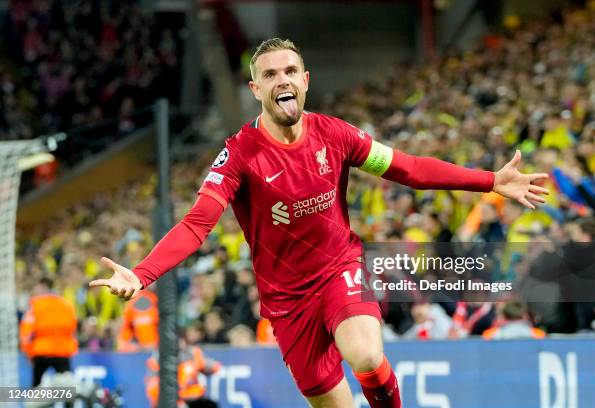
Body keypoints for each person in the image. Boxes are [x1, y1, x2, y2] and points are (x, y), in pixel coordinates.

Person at [90, 38, 549, 407]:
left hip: (340, 269)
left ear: (305, 81)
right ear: (255, 89)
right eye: (269, 74)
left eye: (290, 71)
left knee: (367, 355)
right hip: (287, 303)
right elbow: (197, 224)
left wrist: (489, 180)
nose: (282, 80)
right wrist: (143, 273)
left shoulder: (336, 134)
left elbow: (408, 168)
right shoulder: (239, 154)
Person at [20, 277, 78, 387]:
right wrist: (71, 350)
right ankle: (69, 404)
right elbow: (73, 330)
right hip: (62, 350)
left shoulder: (35, 305)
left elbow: (26, 332)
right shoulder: (67, 305)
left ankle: (39, 402)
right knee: (68, 387)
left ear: (42, 286)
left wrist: (28, 353)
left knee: (37, 387)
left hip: (41, 350)